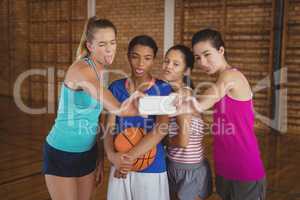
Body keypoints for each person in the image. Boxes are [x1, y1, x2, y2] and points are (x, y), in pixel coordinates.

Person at [43, 16, 142, 200]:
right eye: (103, 44)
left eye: (112, 42)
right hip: (61, 152)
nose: (110, 48)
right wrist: (136, 102)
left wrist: (99, 159)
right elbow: (118, 108)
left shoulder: (100, 70)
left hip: (87, 153)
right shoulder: (82, 70)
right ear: (90, 46)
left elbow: (95, 121)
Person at [178, 28, 266, 200]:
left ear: (221, 50)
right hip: (224, 167)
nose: (202, 62)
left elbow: (202, 103)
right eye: (197, 58)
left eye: (207, 54)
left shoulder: (231, 76)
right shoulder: (220, 79)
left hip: (245, 168)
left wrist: (171, 101)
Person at [104, 35, 172, 200]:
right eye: (135, 57)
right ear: (128, 56)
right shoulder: (115, 88)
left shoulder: (163, 89)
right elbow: (108, 128)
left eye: (147, 58)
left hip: (150, 165)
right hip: (119, 162)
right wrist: (112, 156)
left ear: (153, 60)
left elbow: (161, 129)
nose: (141, 63)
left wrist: (130, 158)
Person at [162, 45, 212, 200]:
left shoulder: (184, 96)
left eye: (175, 64)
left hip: (188, 170)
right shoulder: (173, 93)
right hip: (175, 164)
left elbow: (183, 141)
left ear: (186, 70)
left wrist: (165, 141)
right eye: (166, 61)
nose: (168, 66)